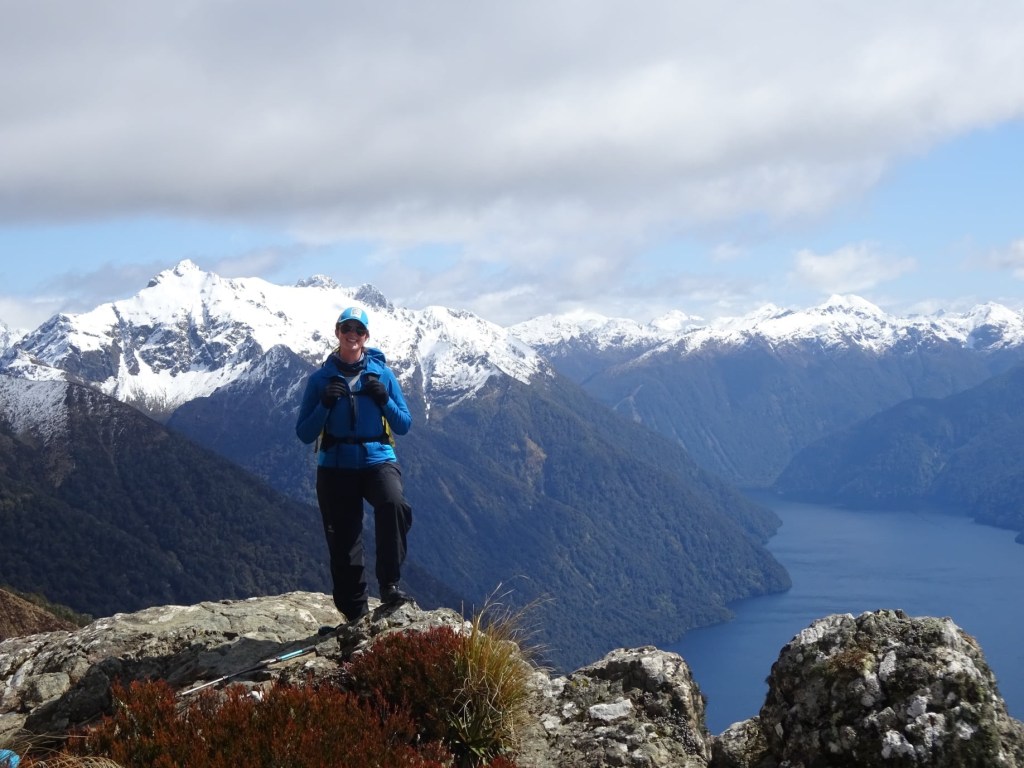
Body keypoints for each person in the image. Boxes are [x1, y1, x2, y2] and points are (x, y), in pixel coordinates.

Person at [295, 306, 414, 624]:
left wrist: (383, 399)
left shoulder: (383, 376)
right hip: (335, 465)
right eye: (347, 328)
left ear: (366, 337)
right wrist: (324, 404)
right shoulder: (320, 380)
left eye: (359, 330)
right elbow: (304, 432)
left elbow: (403, 425)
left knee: (393, 505)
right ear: (337, 332)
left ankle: (389, 585)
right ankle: (356, 614)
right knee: (344, 541)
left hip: (378, 458)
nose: (353, 334)